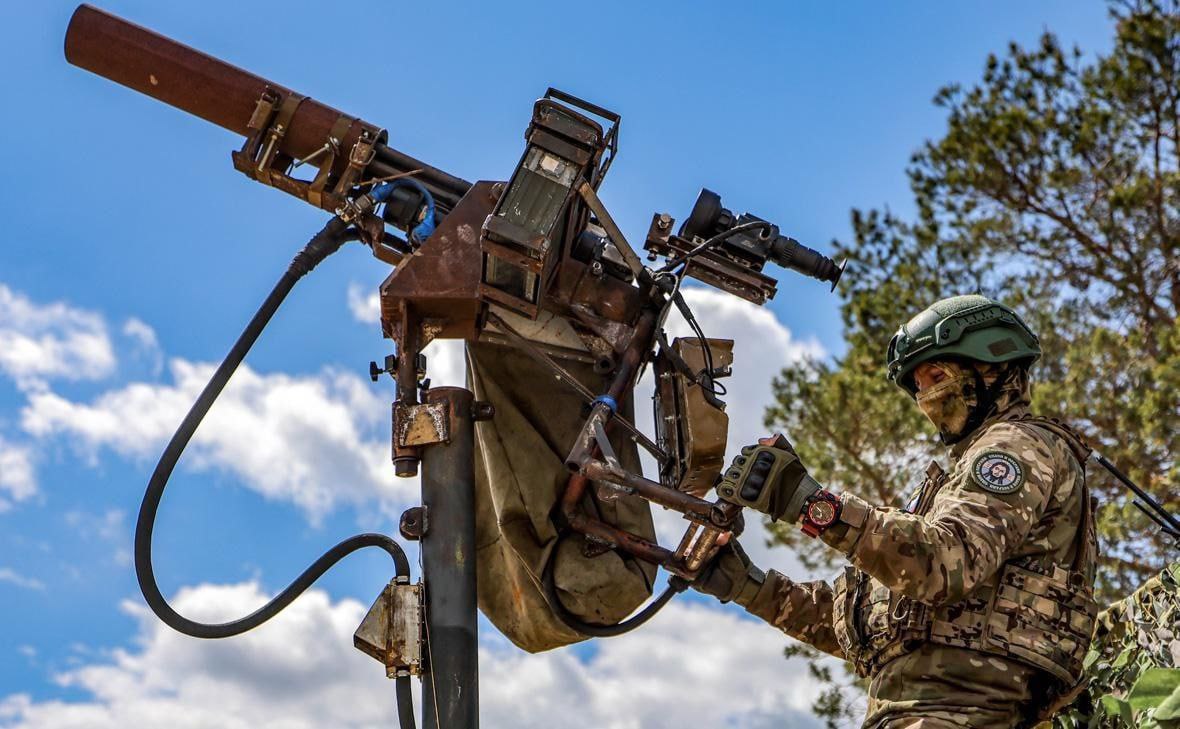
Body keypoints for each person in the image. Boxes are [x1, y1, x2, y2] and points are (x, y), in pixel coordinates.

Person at [694, 294, 1098, 728]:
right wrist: (748, 585)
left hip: (964, 713)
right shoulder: (954, 483)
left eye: (936, 375)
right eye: (919, 386)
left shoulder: (1017, 446)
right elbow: (872, 627)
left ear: (990, 363)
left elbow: (947, 561)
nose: (926, 394)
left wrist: (812, 506)